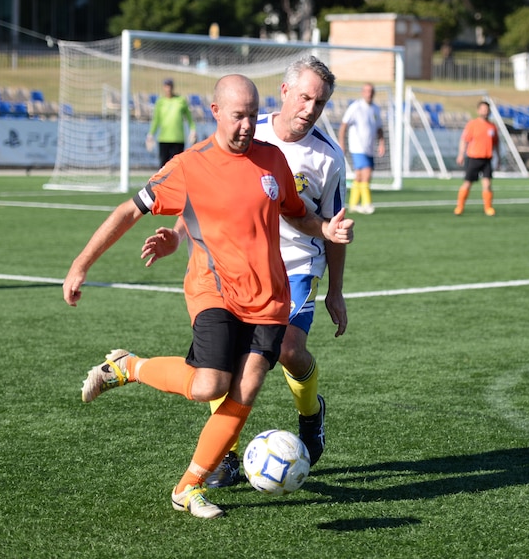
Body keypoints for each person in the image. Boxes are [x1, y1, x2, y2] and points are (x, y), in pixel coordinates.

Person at [62, 74, 354, 519]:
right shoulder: (188, 165)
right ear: (215, 112)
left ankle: (189, 486)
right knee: (209, 385)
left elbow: (299, 213)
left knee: (249, 384)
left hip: (269, 296)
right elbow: (127, 211)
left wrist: (325, 228)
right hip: (214, 289)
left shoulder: (272, 160)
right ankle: (129, 367)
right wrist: (81, 265)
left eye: (251, 116)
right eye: (238, 116)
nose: (245, 126)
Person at [140, 56, 346, 487]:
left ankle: (311, 416)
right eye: (305, 96)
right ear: (285, 92)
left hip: (296, 267)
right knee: (227, 364)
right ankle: (228, 456)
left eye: (321, 102)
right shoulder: (248, 128)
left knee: (289, 350)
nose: (311, 108)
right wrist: (178, 236)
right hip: (237, 265)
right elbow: (202, 193)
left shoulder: (328, 157)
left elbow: (334, 227)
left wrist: (337, 291)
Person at [338, 82, 385, 214]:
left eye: (371, 91)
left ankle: (353, 204)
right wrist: (342, 143)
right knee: (367, 174)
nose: (369, 94)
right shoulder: (356, 107)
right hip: (357, 147)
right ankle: (367, 204)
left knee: (359, 176)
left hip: (369, 147)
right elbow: (343, 125)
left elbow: (379, 128)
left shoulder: (375, 109)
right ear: (362, 93)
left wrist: (381, 143)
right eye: (366, 91)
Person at [454, 100, 500, 216]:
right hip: (473, 158)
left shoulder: (492, 126)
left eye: (487, 109)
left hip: (487, 159)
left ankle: (488, 208)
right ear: (478, 110)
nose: (485, 111)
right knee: (467, 183)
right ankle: (460, 206)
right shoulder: (472, 124)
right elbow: (464, 140)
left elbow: (496, 144)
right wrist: (461, 154)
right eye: (483, 109)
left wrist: (498, 157)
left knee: (487, 184)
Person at [146, 78, 197, 167]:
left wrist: (193, 130)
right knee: (163, 166)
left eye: (170, 86)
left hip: (178, 139)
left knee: (178, 166)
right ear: (164, 88)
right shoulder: (160, 102)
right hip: (164, 139)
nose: (168, 89)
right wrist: (151, 134)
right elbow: (156, 120)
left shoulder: (181, 100)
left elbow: (189, 118)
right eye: (166, 86)